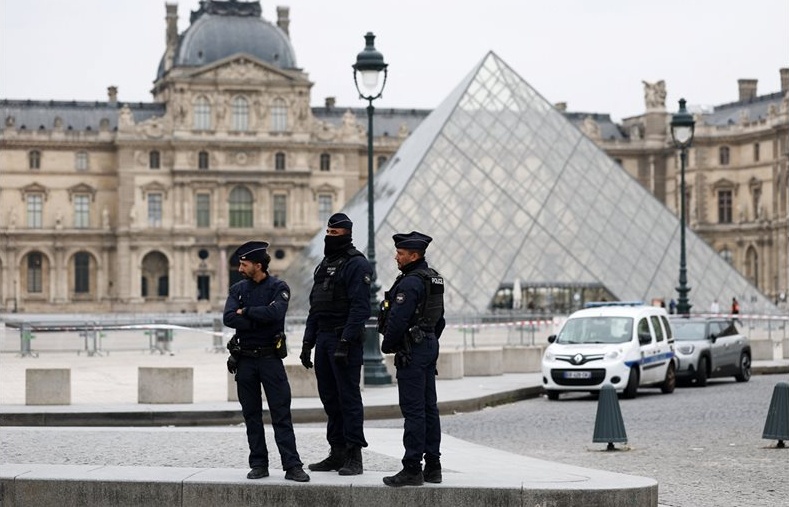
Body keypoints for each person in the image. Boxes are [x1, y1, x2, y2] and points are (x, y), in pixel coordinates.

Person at [223, 241, 309, 483]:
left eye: (244, 264)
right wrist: (260, 317)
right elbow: (229, 318)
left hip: (270, 359)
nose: (240, 268)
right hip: (245, 360)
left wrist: (246, 312)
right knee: (251, 416)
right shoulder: (238, 289)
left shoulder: (278, 287)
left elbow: (276, 314)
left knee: (281, 414)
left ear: (258, 265)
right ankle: (259, 464)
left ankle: (292, 465)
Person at [300, 213, 372, 475]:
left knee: (348, 399)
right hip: (323, 338)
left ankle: (354, 455)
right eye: (328, 233)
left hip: (344, 340)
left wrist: (345, 341)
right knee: (330, 398)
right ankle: (337, 451)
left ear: (347, 235)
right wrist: (307, 342)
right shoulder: (324, 265)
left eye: (335, 234)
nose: (329, 238)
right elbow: (315, 307)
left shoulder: (357, 264)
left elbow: (360, 308)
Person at [378, 231, 446, 487]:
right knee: (429, 408)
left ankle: (412, 468)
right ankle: (433, 467)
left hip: (412, 350)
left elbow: (397, 320)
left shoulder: (409, 283)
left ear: (414, 255)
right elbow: (440, 319)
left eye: (401, 253)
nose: (396, 257)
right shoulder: (434, 278)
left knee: (414, 411)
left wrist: (389, 345)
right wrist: (428, 338)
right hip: (428, 344)